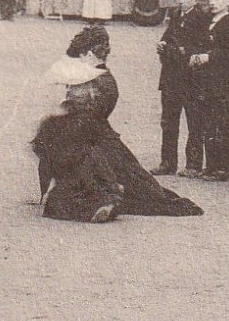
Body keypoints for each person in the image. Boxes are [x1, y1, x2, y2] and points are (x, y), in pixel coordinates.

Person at [30, 25, 203, 223]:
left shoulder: (100, 81)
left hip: (90, 142)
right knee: (132, 184)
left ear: (88, 55)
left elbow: (89, 118)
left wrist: (59, 120)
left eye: (81, 56)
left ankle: (104, 197)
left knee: (70, 193)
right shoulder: (98, 78)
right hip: (97, 141)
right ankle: (107, 194)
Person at [187, 0, 229, 181]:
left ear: (228, 1)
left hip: (220, 83)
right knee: (208, 123)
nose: (212, 3)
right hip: (205, 81)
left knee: (219, 123)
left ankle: (222, 167)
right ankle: (211, 165)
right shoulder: (209, 22)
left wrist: (208, 57)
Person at [151, 0, 203, 177]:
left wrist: (174, 50)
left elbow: (195, 47)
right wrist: (163, 44)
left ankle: (194, 164)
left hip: (191, 78)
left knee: (194, 121)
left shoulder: (201, 18)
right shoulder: (174, 14)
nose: (181, 2)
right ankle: (168, 162)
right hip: (171, 76)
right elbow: (168, 37)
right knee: (169, 121)